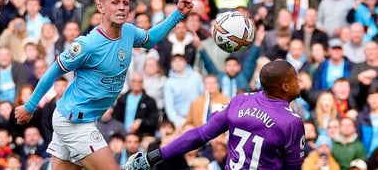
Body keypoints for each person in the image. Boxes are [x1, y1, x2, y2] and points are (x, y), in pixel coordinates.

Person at [14, 0, 194, 170]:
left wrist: (178, 14)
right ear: (101, 8)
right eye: (115, 2)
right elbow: (52, 72)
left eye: (125, 3)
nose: (122, 7)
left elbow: (150, 39)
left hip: (79, 118)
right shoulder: (88, 45)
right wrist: (29, 106)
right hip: (75, 122)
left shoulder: (129, 32)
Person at [124, 60, 305, 170]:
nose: (299, 82)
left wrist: (152, 157)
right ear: (285, 87)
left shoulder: (239, 100)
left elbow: (199, 135)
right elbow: (293, 167)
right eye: (295, 79)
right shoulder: (291, 121)